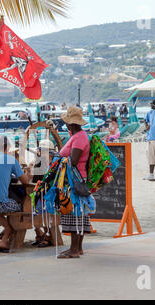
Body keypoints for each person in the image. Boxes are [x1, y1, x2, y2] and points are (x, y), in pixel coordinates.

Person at [57, 106, 91, 259]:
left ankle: (74, 250)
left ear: (70, 124)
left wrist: (59, 159)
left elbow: (74, 160)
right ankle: (78, 248)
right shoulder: (80, 136)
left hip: (74, 181)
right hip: (79, 179)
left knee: (73, 213)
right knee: (80, 214)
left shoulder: (78, 138)